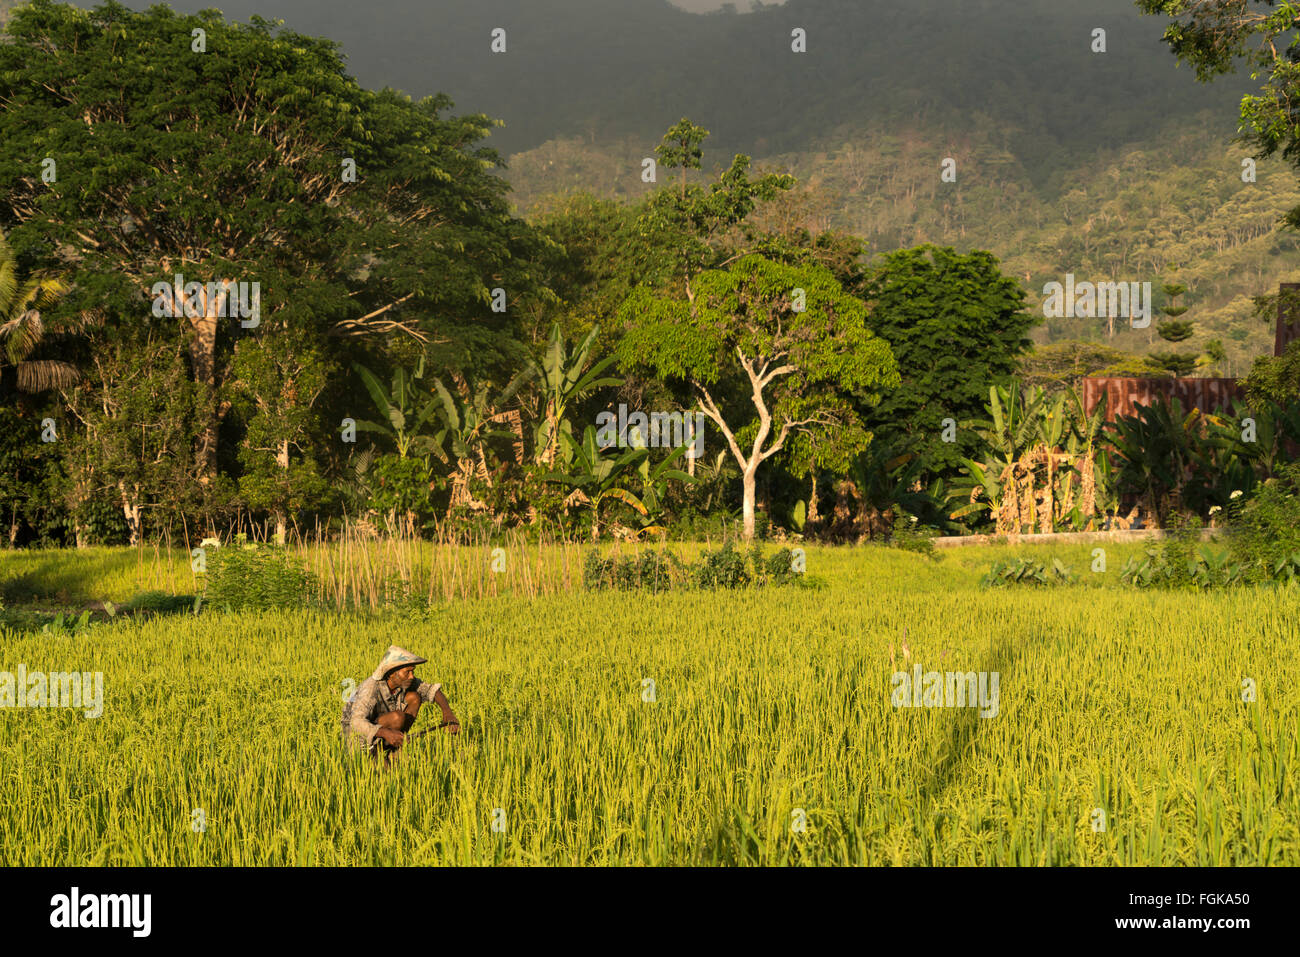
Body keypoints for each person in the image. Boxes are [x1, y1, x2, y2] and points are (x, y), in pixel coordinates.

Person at [342, 645, 459, 763]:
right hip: (359, 737)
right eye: (407, 672)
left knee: (414, 698)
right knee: (397, 717)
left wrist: (448, 713)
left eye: (412, 671)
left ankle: (394, 748)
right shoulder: (371, 688)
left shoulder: (404, 681)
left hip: (382, 726)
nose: (411, 676)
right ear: (392, 673)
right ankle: (375, 753)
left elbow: (431, 690)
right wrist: (385, 733)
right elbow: (356, 722)